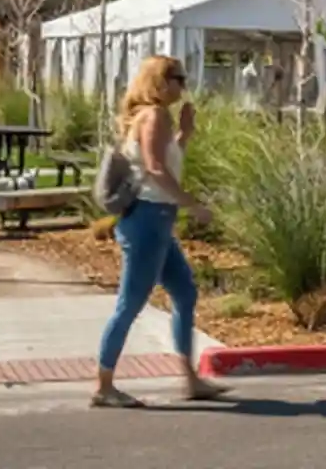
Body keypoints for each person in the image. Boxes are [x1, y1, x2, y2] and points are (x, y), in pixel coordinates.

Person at [92, 55, 226, 408]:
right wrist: (191, 204)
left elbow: (167, 159)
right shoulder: (152, 115)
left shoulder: (159, 118)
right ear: (160, 82)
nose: (184, 85)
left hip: (158, 219)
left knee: (184, 291)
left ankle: (190, 379)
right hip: (148, 220)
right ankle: (104, 385)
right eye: (178, 79)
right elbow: (154, 168)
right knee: (130, 304)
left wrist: (185, 134)